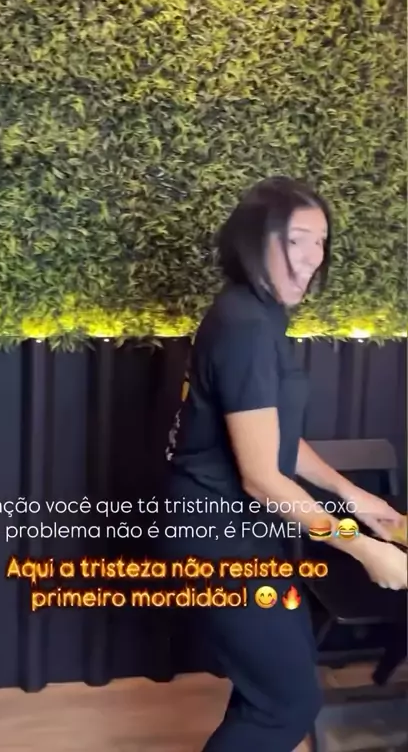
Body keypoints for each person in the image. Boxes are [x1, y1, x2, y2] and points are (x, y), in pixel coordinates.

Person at [162, 177, 407, 752]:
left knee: (272, 691)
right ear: (254, 240)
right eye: (296, 239)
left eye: (320, 241)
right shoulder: (245, 326)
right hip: (216, 541)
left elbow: (277, 440)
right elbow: (262, 477)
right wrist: (364, 548)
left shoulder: (260, 314)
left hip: (241, 533)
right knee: (287, 704)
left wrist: (352, 495)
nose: (312, 256)